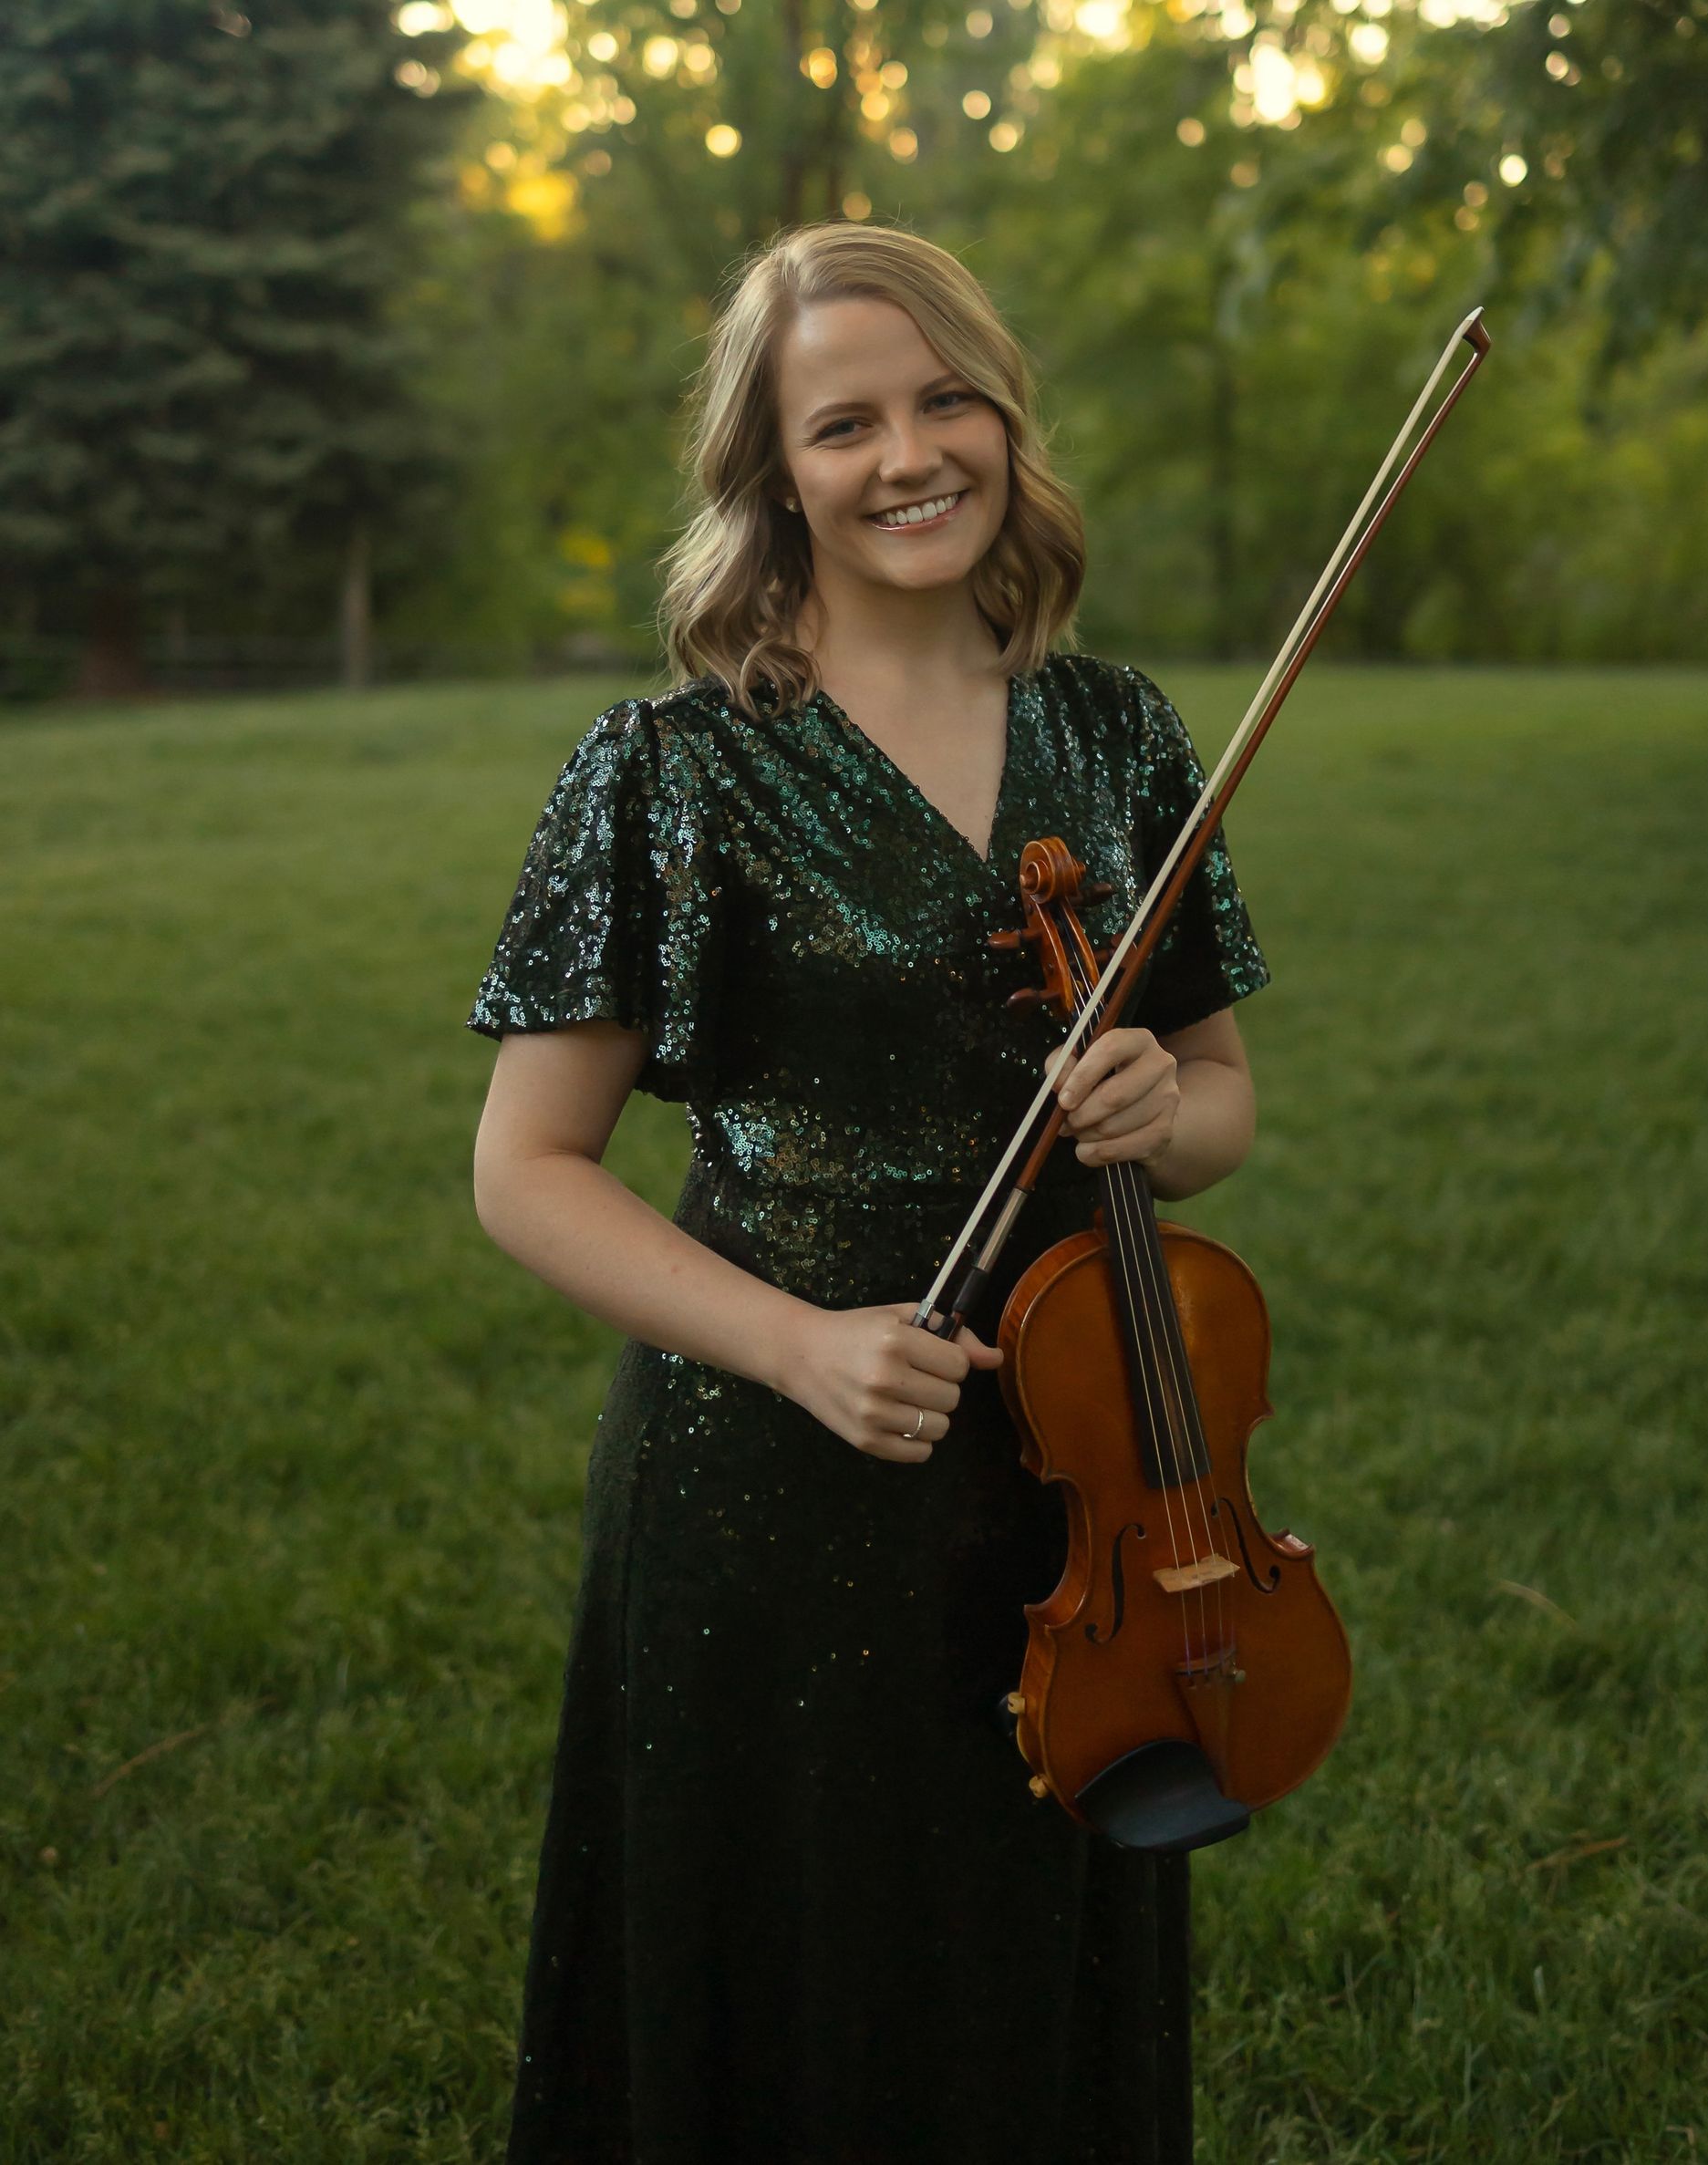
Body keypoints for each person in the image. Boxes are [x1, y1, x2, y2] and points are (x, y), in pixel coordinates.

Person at [467, 220, 1268, 2165]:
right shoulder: (668, 770)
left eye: (944, 399)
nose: (909, 453)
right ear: (773, 474)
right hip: (776, 1466)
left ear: (1004, 418)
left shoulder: (1122, 732)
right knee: (799, 1959)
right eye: (844, 422)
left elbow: (1227, 1096)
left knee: (1030, 1945)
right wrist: (797, 1346)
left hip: (1091, 1463)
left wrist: (1164, 1106)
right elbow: (523, 1170)